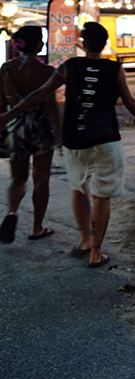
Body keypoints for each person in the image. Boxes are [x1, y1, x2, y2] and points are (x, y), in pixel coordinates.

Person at [0, 22, 135, 266]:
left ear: (83, 42)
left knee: (78, 189)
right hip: (104, 137)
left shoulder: (67, 67)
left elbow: (41, 94)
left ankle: (82, 240)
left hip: (70, 139)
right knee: (98, 195)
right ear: (105, 42)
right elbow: (129, 100)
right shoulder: (114, 69)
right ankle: (95, 252)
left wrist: (10, 114)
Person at [0, 26, 60, 243]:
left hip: (15, 126)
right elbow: (52, 107)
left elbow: (2, 102)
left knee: (18, 178)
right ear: (37, 45)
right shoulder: (47, 72)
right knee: (41, 178)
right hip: (40, 127)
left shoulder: (7, 68)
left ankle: (12, 212)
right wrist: (60, 136)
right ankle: (37, 227)